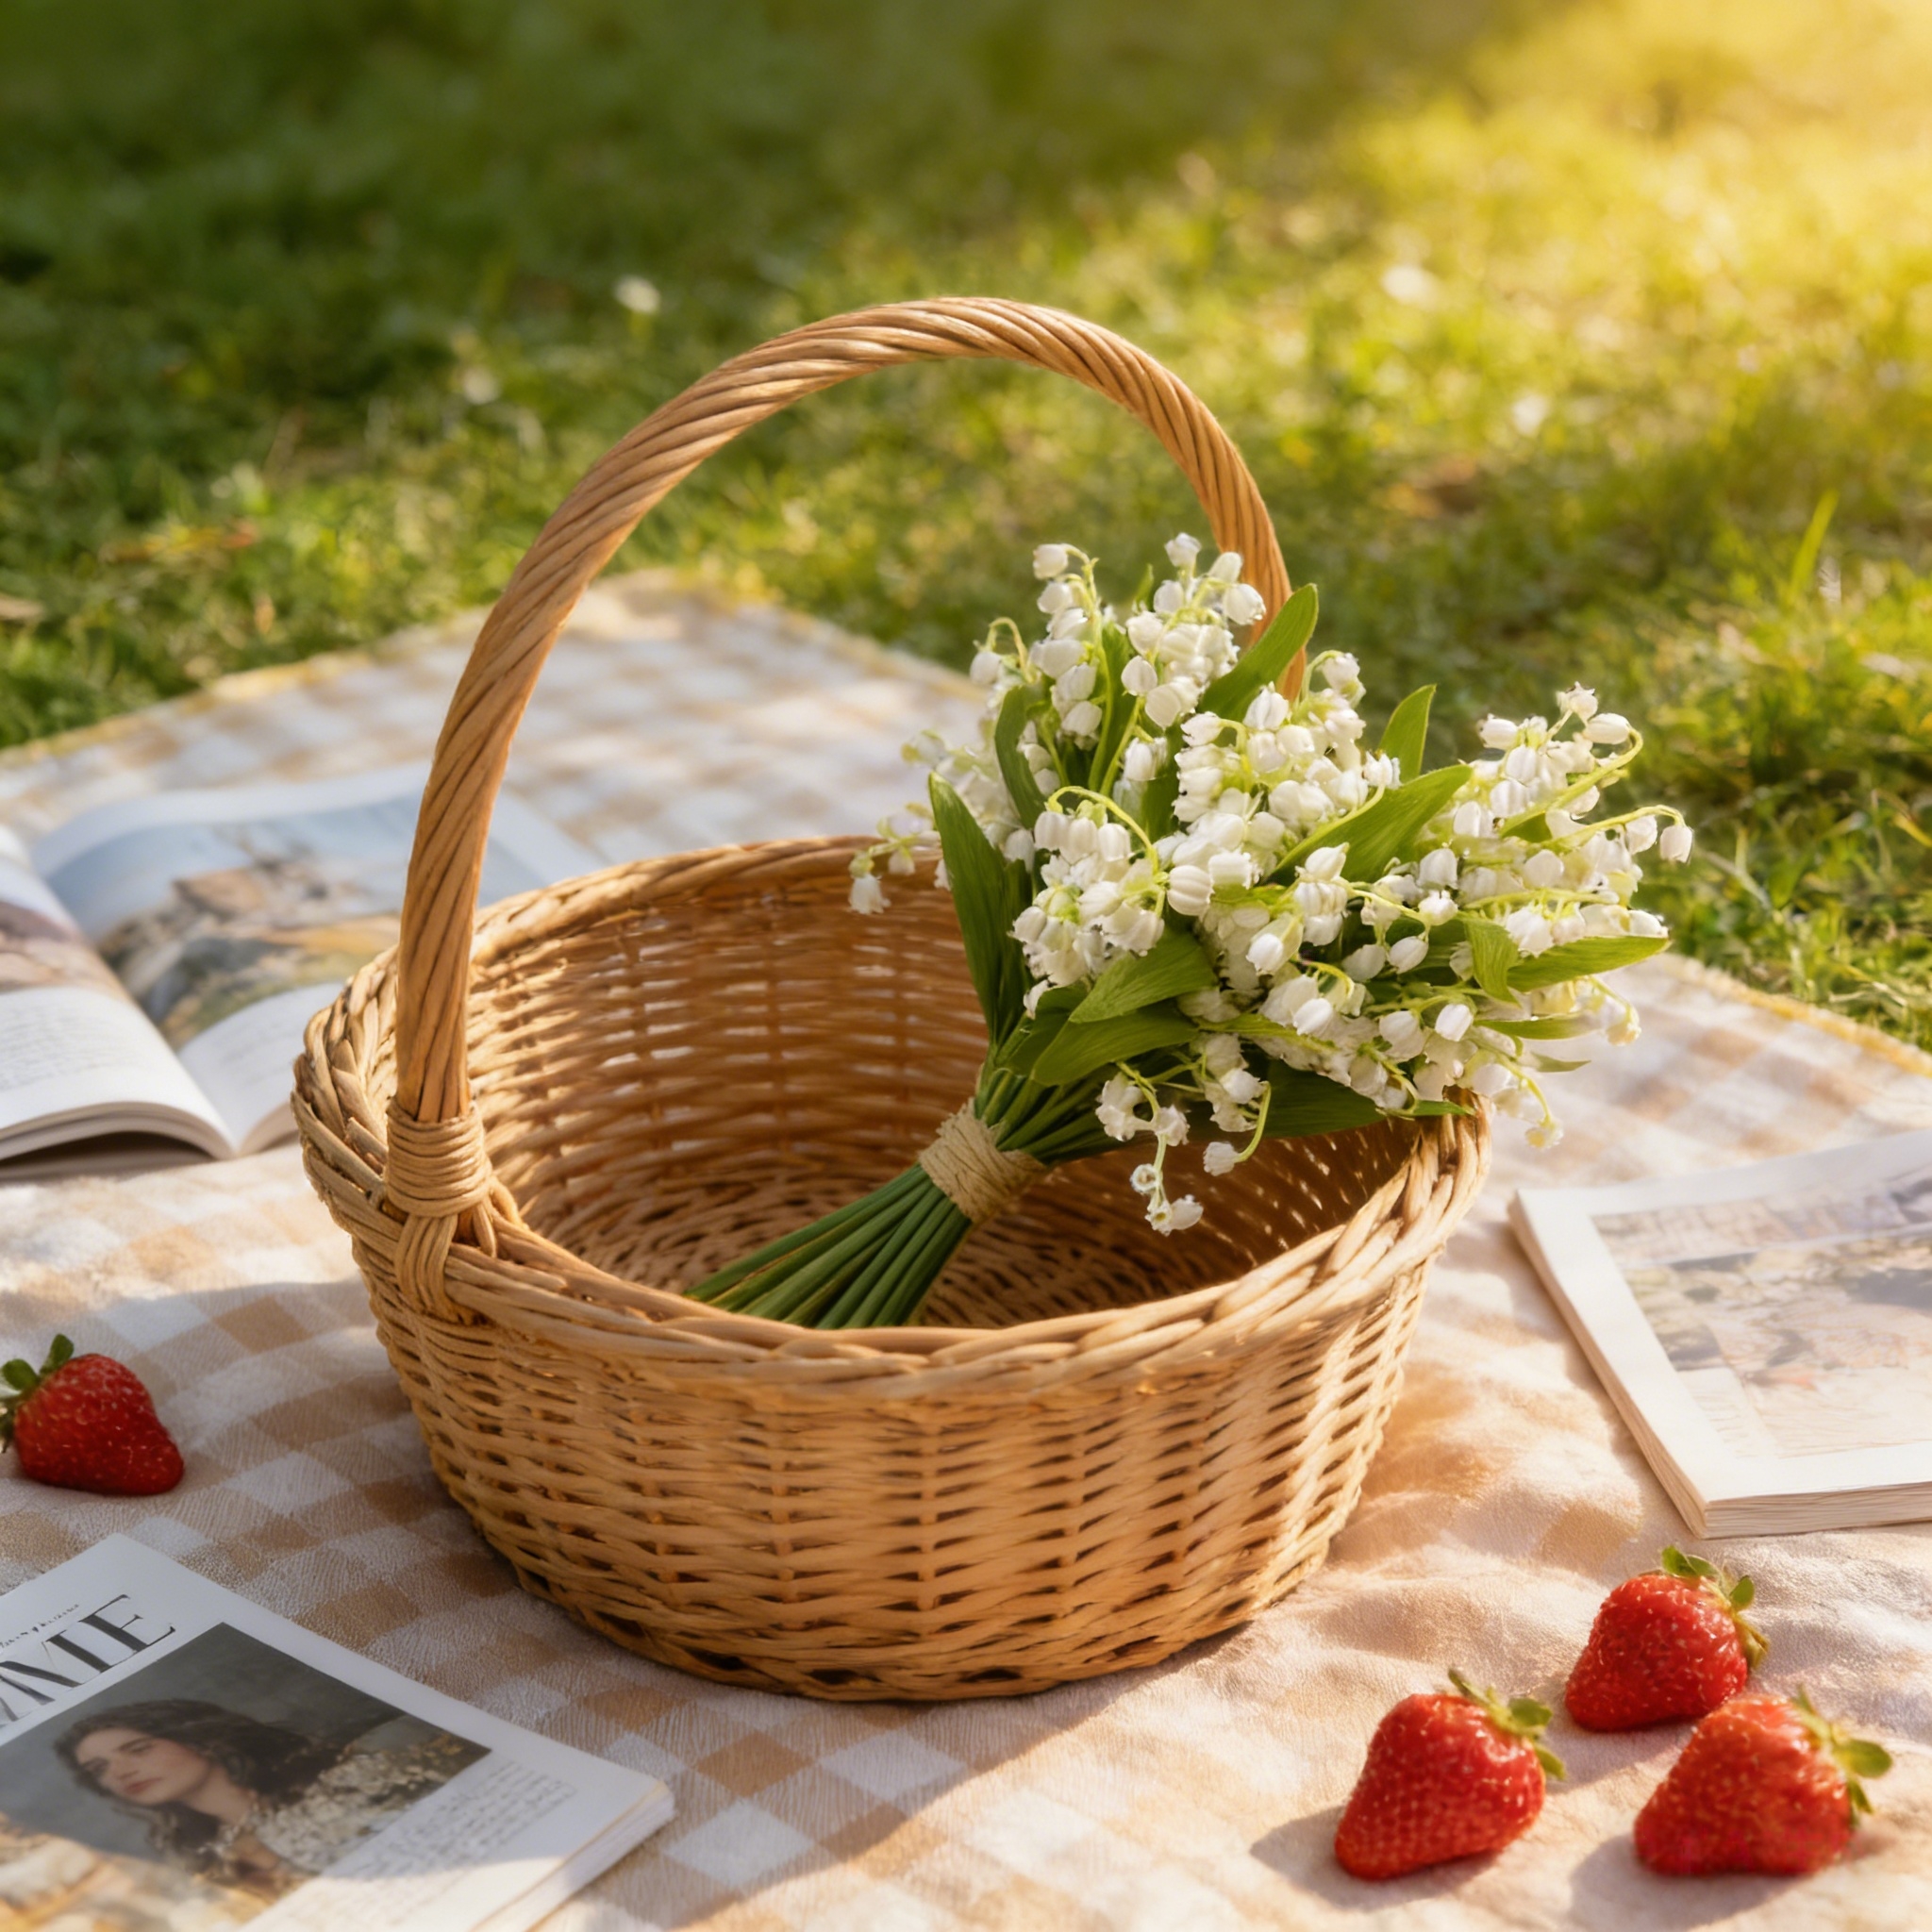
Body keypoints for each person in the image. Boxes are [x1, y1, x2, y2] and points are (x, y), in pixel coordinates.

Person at [55, 1699, 479, 1900]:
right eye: (99, 1770)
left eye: (138, 1749)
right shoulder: (203, 1866)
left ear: (197, 1738)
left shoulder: (355, 1778)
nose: (120, 1772)